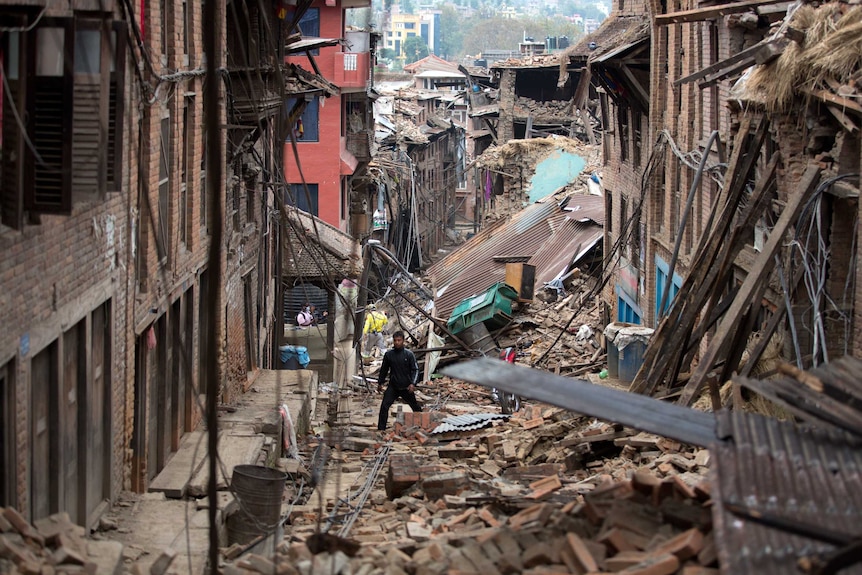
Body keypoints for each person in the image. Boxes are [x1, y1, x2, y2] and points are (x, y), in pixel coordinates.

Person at [377, 330, 422, 431]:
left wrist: (413, 384)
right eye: (395, 340)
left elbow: (415, 370)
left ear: (403, 341)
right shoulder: (389, 355)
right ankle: (381, 429)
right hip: (393, 386)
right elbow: (384, 370)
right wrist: (380, 383)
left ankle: (421, 425)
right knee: (384, 406)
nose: (397, 342)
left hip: (406, 387)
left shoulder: (409, 354)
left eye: (399, 340)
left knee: (415, 407)